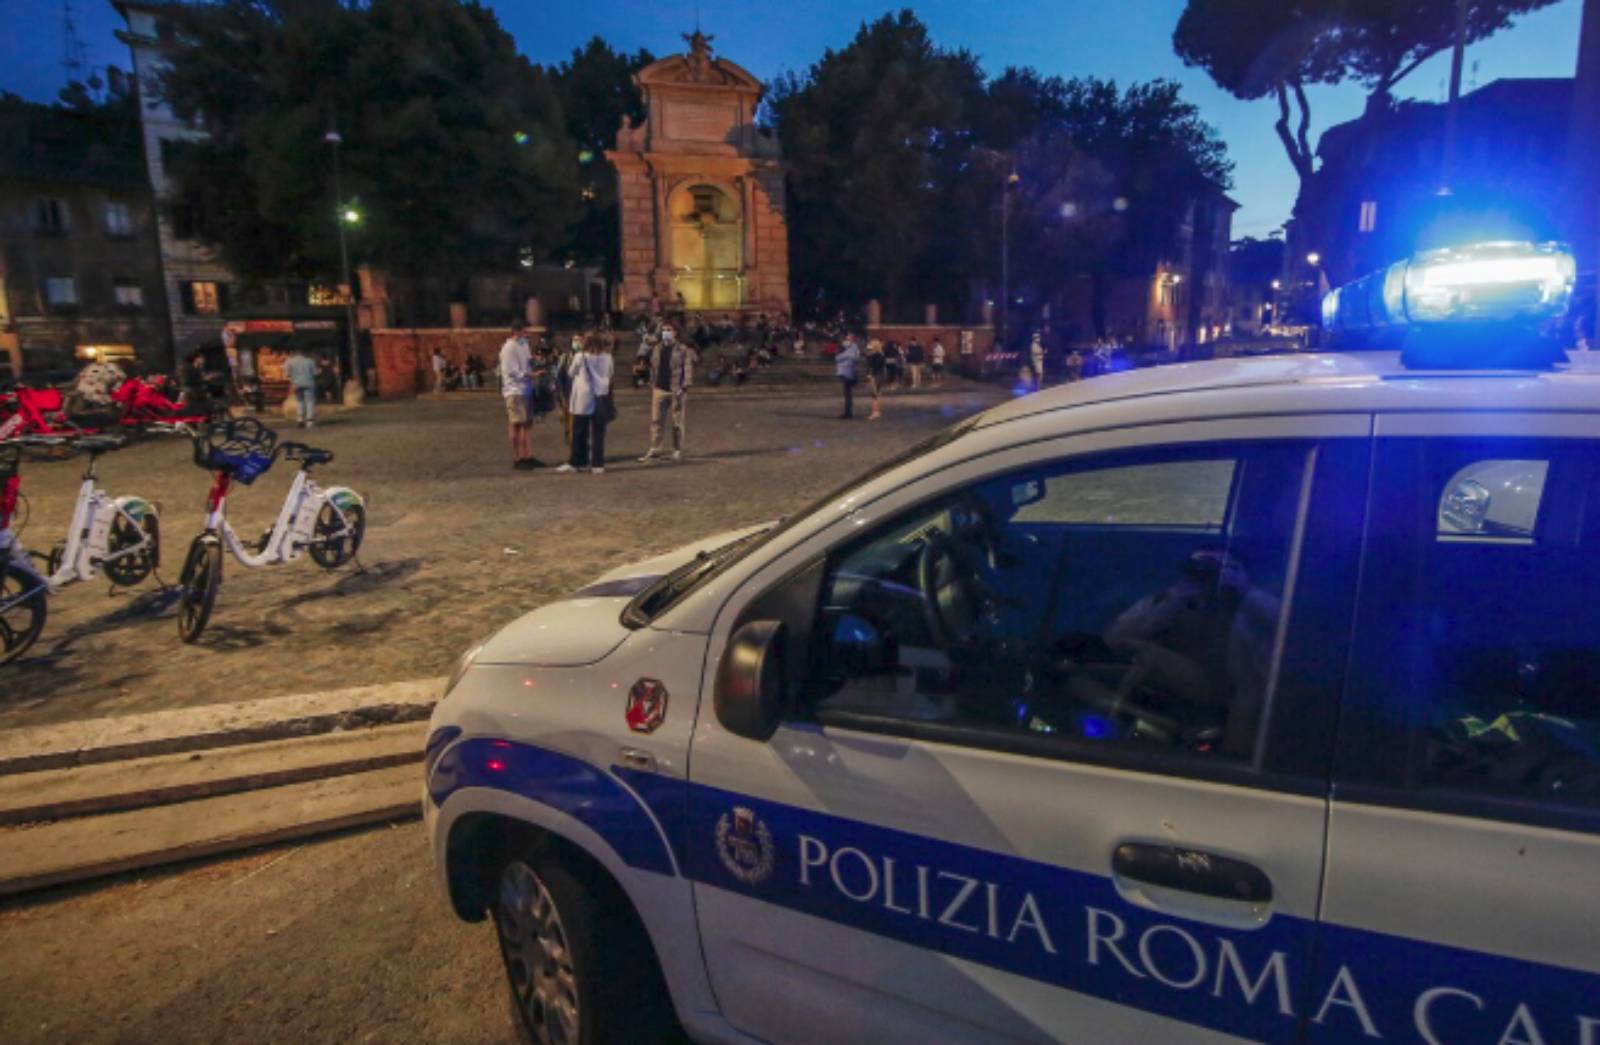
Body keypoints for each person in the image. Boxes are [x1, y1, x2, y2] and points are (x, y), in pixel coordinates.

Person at [559, 334, 614, 474]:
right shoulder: (608, 357)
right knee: (598, 433)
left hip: (583, 399)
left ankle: (577, 462)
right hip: (600, 397)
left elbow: (571, 373)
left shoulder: (580, 357)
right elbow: (610, 374)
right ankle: (597, 464)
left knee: (579, 431)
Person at [640, 322, 693, 463]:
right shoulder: (657, 348)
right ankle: (655, 449)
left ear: (675, 332)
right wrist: (652, 383)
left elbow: (687, 369)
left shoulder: (683, 349)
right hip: (659, 389)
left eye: (669, 329)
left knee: (677, 423)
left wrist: (684, 387)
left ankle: (677, 450)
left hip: (676, 390)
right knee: (656, 421)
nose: (666, 332)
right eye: (663, 330)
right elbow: (653, 366)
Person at [499, 321, 538, 470]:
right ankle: (518, 458)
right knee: (517, 424)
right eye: (525, 331)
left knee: (527, 424)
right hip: (514, 390)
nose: (528, 334)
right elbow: (511, 371)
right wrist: (529, 374)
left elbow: (527, 362)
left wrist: (535, 362)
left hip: (526, 388)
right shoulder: (509, 347)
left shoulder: (524, 344)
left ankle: (528, 455)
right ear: (517, 331)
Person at [285, 346, 319, 428]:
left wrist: (293, 379)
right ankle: (309, 421)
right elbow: (315, 373)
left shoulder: (289, 361)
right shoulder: (310, 361)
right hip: (309, 383)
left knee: (300, 401)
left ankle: (300, 419)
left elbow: (287, 373)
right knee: (309, 401)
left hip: (296, 384)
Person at [836, 332, 861, 419]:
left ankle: (848, 412)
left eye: (848, 339)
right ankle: (847, 411)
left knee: (848, 393)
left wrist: (841, 356)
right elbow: (837, 357)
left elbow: (850, 357)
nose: (846, 341)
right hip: (845, 371)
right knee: (847, 393)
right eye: (846, 339)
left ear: (852, 339)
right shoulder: (846, 347)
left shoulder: (853, 348)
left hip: (849, 372)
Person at [865, 338, 886, 420]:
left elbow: (873, 366)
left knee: (874, 395)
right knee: (878, 394)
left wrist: (870, 375)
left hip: (875, 376)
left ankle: (875, 412)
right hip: (880, 375)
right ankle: (877, 411)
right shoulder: (881, 354)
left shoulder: (874, 355)